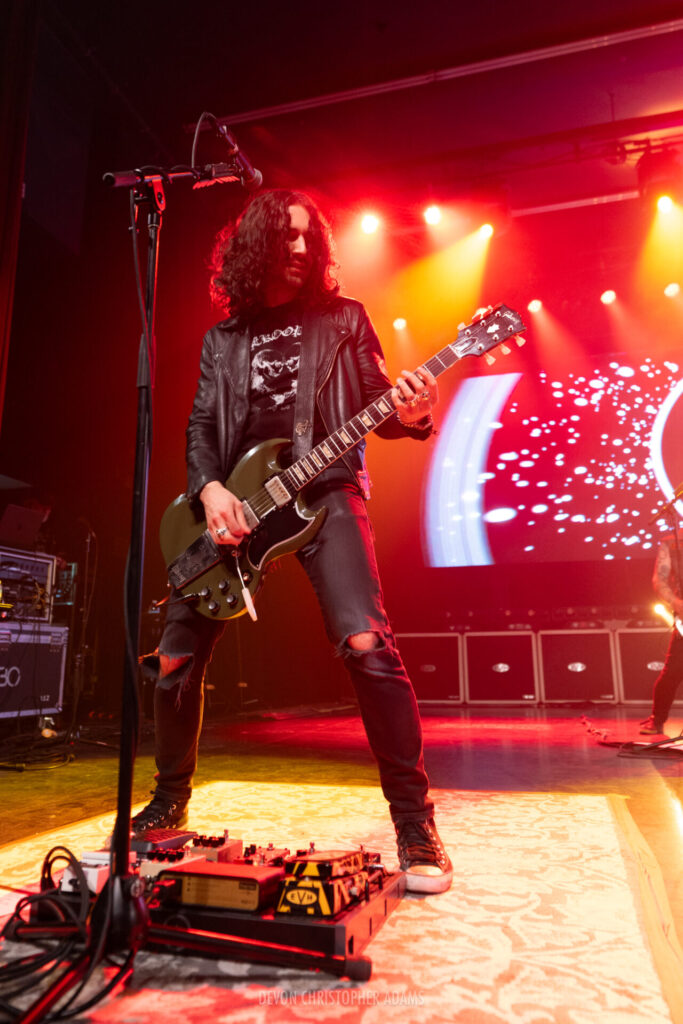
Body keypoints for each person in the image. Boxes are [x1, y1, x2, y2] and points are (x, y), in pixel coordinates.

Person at [136, 189, 452, 893]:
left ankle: (414, 821)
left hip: (325, 490)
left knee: (367, 644)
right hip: (235, 507)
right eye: (289, 235)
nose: (303, 248)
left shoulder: (343, 319)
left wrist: (414, 413)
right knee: (174, 659)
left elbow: (383, 405)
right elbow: (200, 427)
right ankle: (167, 800)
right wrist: (209, 491)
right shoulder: (223, 340)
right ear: (257, 244)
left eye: (312, 237)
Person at [639, 531, 683, 735]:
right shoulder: (673, 542)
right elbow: (660, 580)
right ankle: (657, 718)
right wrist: (676, 603)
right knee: (673, 671)